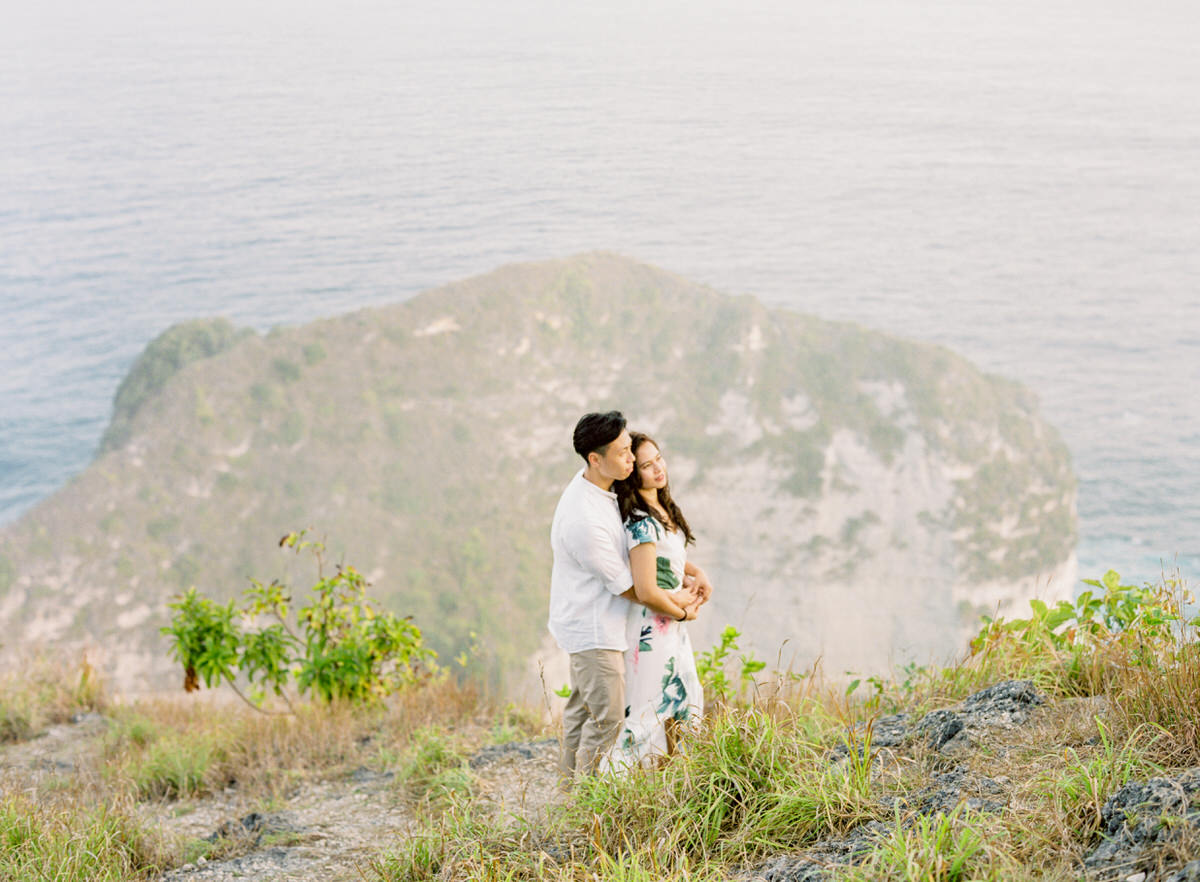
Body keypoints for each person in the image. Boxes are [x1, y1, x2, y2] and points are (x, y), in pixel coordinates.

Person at [549, 412, 701, 781]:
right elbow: (636, 588)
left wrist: (692, 572)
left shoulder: (604, 488)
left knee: (582, 713)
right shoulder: (585, 518)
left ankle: (569, 792)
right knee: (609, 721)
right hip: (595, 628)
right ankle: (587, 804)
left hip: (602, 620)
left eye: (631, 451)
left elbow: (654, 555)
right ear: (594, 459)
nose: (631, 459)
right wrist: (679, 605)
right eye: (623, 453)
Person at [602, 432, 712, 771]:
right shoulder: (639, 520)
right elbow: (647, 588)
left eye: (658, 459)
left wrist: (696, 572)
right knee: (647, 712)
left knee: (686, 699)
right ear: (634, 474)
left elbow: (667, 557)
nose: (658, 469)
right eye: (647, 466)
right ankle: (609, 790)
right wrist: (682, 611)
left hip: (671, 623)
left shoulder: (660, 507)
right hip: (654, 625)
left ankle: (676, 784)